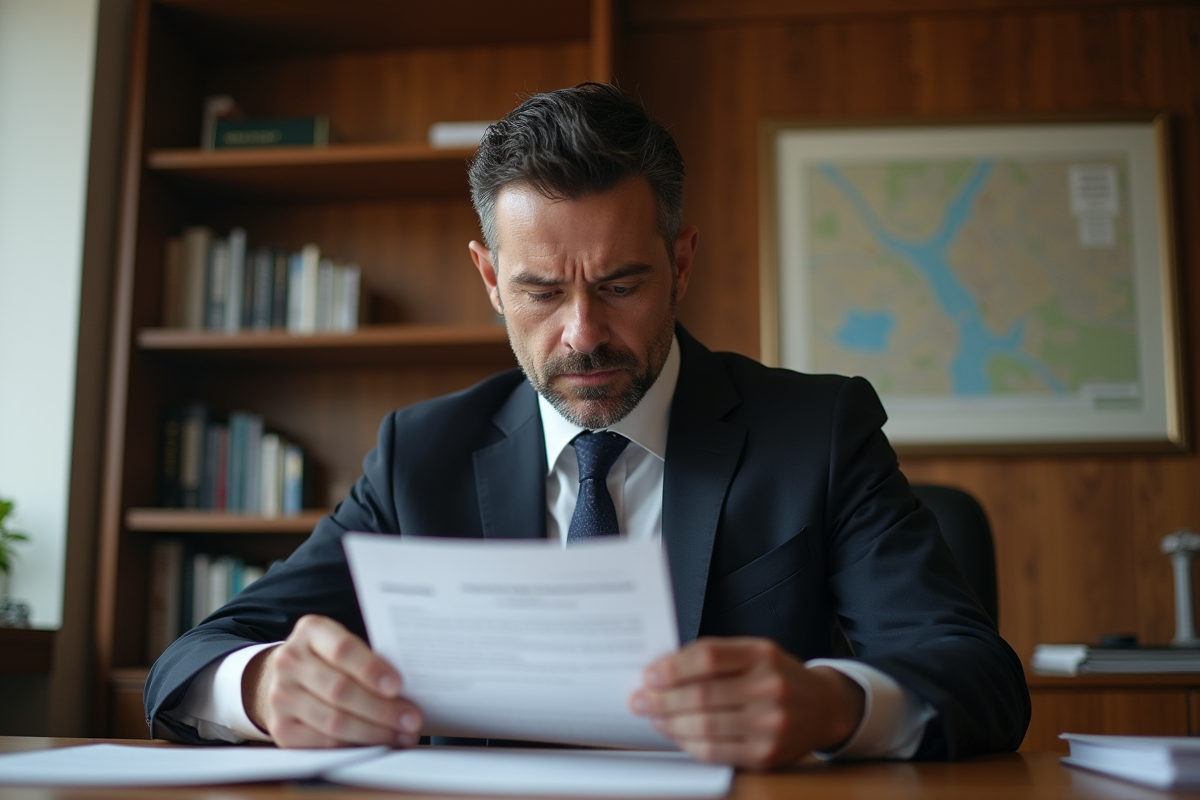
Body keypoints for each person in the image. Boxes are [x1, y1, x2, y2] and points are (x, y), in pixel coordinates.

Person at [145, 83, 1029, 768]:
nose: (582, 334)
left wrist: (831, 705)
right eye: (539, 291)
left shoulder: (816, 432)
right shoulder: (423, 453)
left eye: (620, 284)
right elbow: (193, 658)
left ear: (681, 262)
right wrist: (263, 686)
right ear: (490, 279)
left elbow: (976, 671)